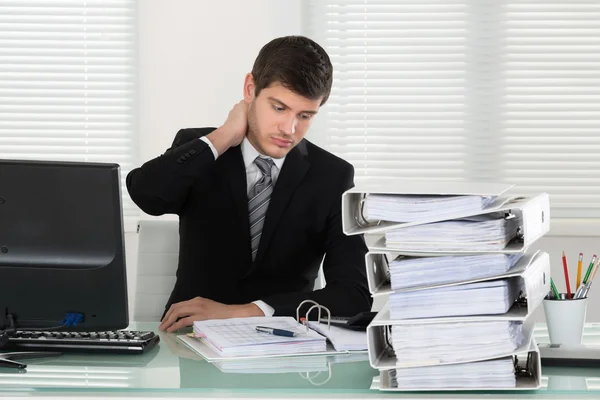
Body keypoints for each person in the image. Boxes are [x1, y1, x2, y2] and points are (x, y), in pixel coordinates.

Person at [126, 35, 371, 332]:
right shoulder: (200, 149)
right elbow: (146, 195)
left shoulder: (332, 176)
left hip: (284, 342)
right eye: (279, 108)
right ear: (250, 89)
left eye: (305, 115)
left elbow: (354, 294)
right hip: (191, 338)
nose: (289, 129)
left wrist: (249, 312)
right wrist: (223, 137)